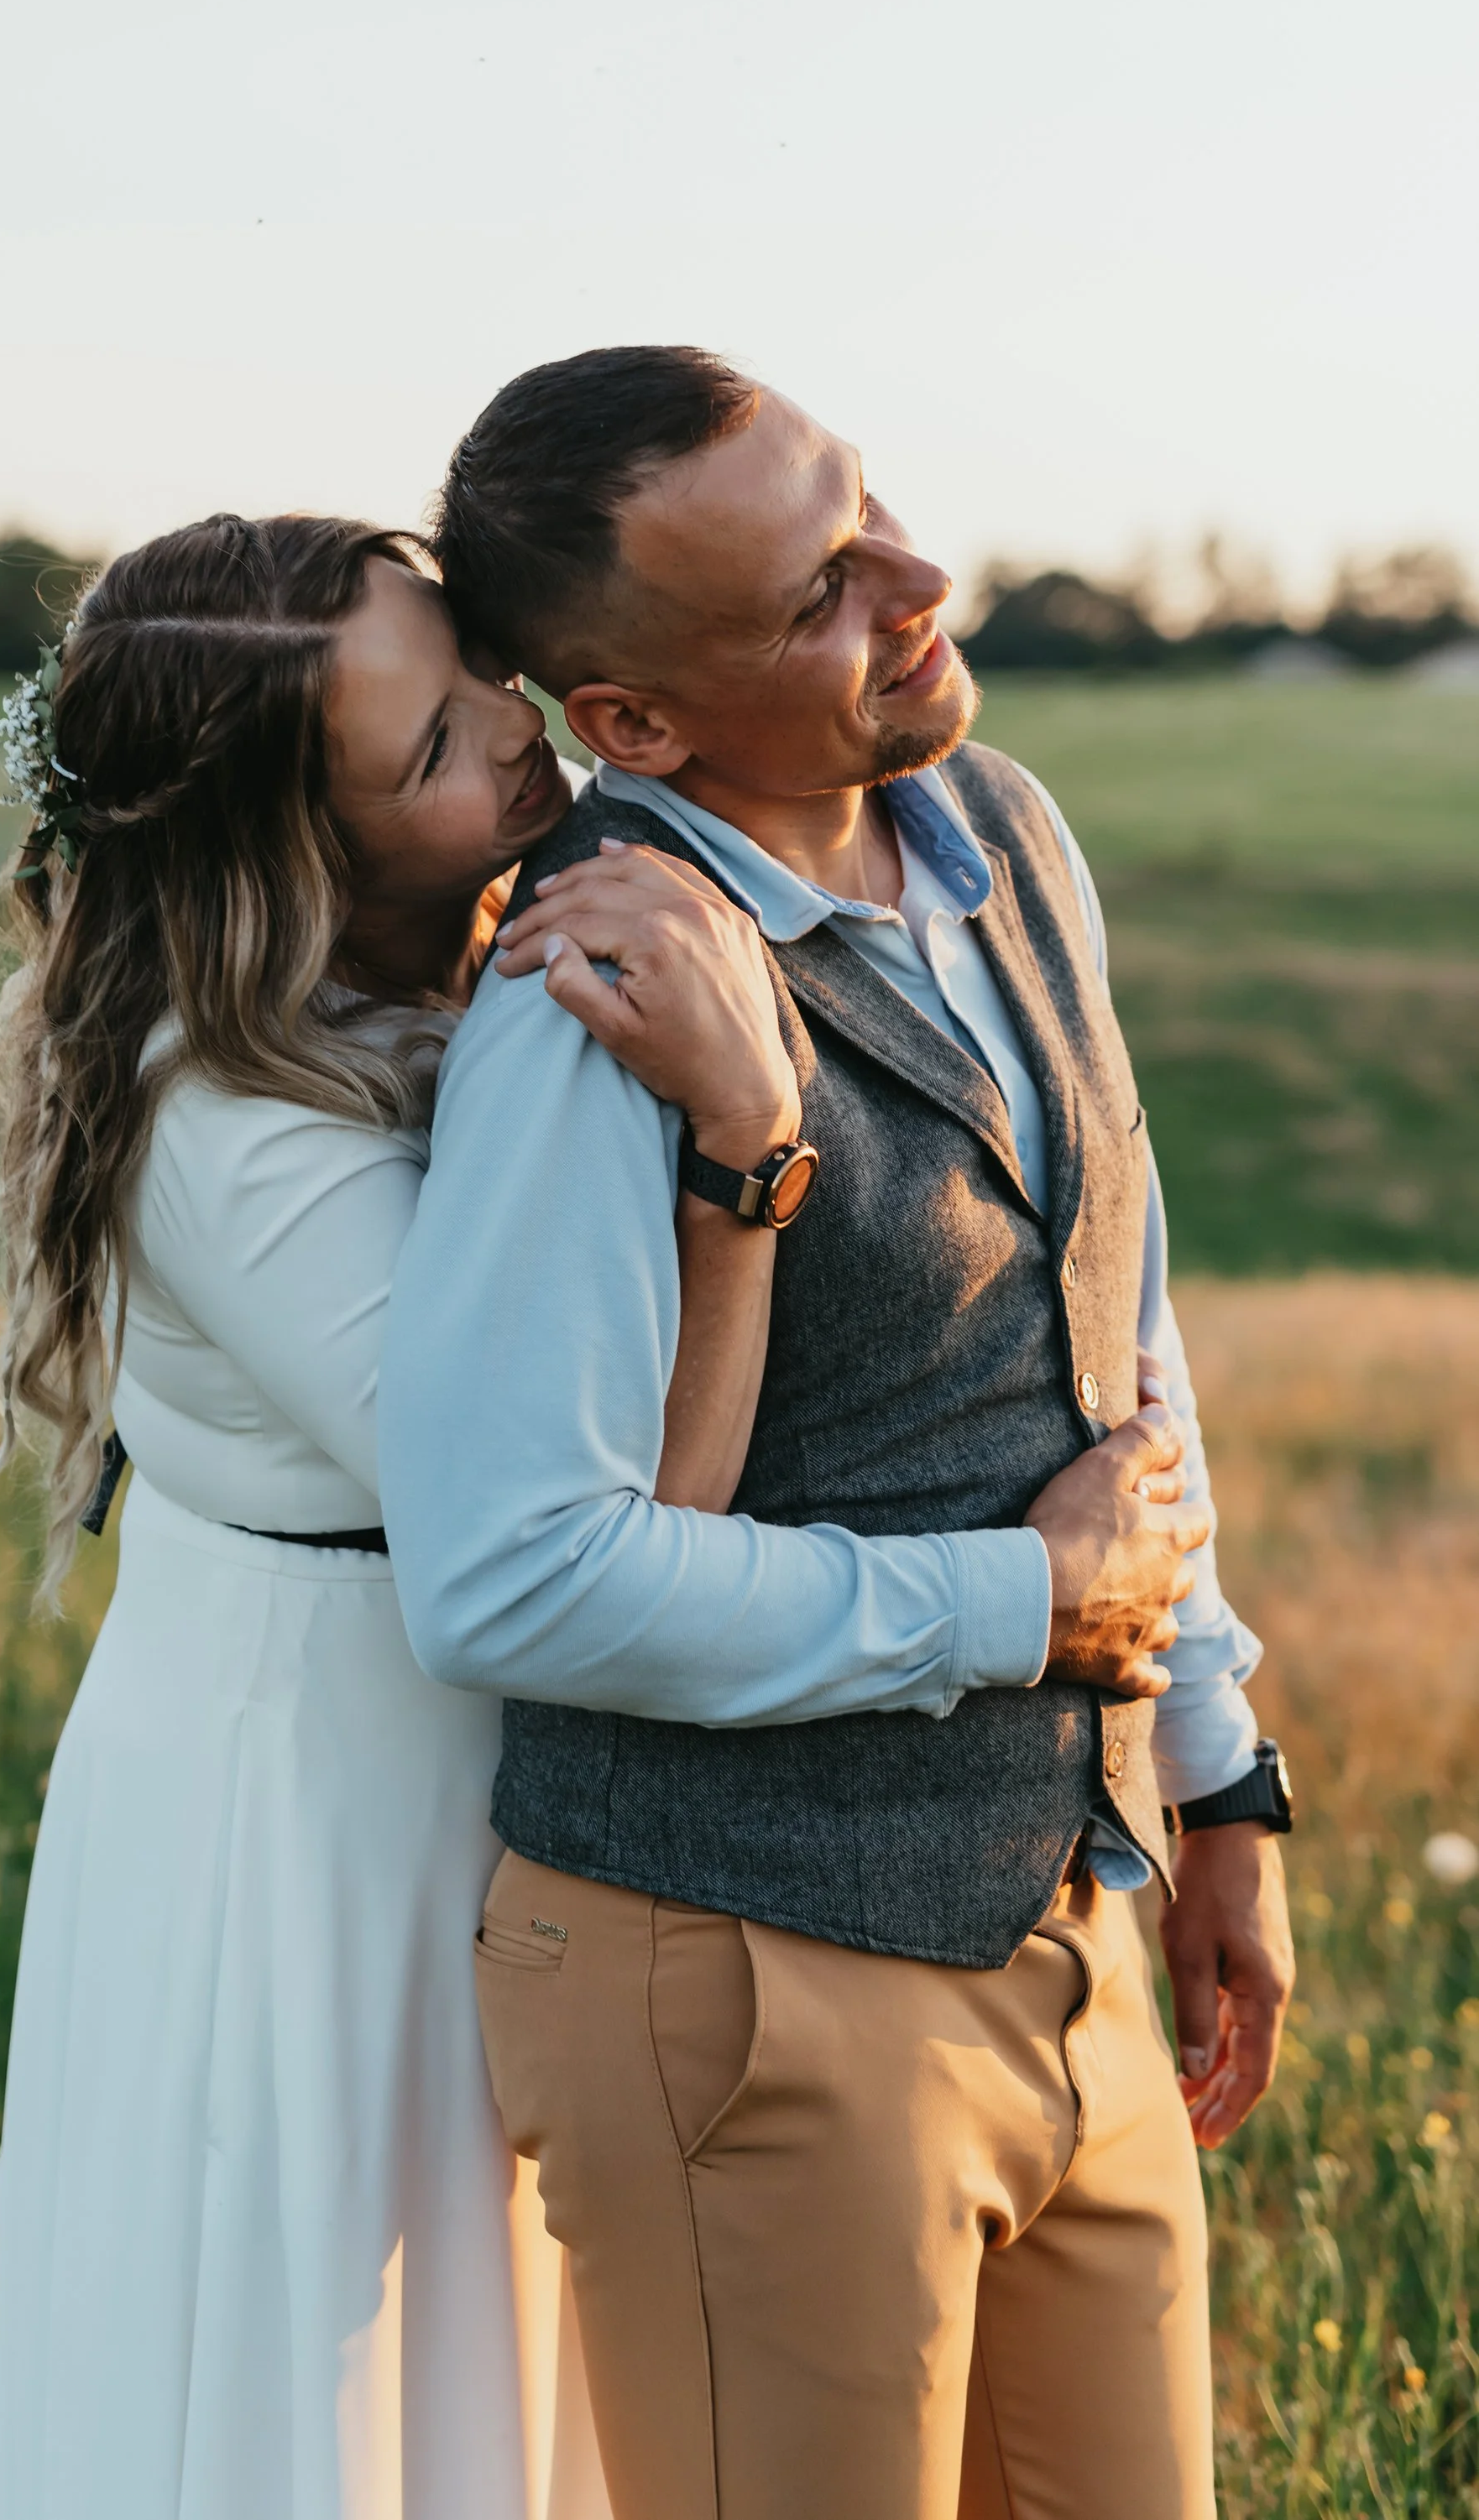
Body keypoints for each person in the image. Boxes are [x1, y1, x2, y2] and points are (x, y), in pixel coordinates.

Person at [0, 509, 991, 2520]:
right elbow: (610, 1538)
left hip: (430, 1750)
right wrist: (743, 1168)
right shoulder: (228, 1124)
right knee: (326, 2356)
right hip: (318, 1801)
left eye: (472, 672)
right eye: (427, 754)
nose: (509, 737)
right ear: (290, 859)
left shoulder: (462, 953)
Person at [378, 347, 1294, 2520]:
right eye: (818, 590)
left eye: (869, 508)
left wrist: (1210, 1770)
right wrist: (1025, 1604)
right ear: (631, 727)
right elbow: (513, 1572)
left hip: (1068, 1923)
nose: (920, 577)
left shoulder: (998, 827)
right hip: (747, 1990)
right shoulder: (587, 1005)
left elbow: (1114, 1335)